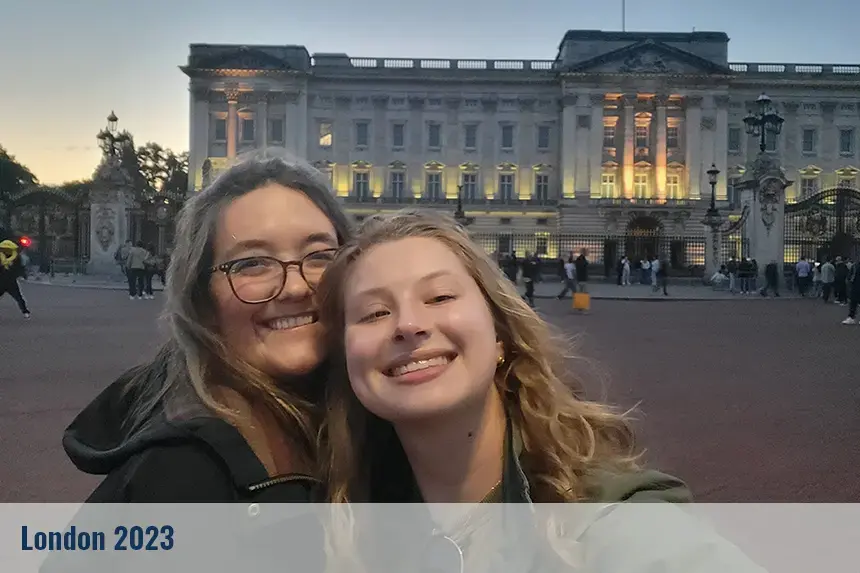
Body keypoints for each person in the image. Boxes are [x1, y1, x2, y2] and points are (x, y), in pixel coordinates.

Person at [317, 210, 763, 573]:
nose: (409, 324)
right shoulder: (342, 520)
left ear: (500, 335)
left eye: (440, 297)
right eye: (373, 313)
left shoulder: (608, 525)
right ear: (345, 358)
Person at [61, 153, 352, 503]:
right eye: (253, 263)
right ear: (202, 299)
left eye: (320, 256)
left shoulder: (359, 412)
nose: (294, 287)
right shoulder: (180, 475)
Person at [0, 239, 31, 318]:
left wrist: (22, 275)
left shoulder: (16, 257)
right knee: (18, 297)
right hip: (1, 281)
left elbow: (19, 267)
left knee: (19, 297)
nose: (6, 251)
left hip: (11, 282)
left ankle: (25, 311)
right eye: (4, 249)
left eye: (8, 249)